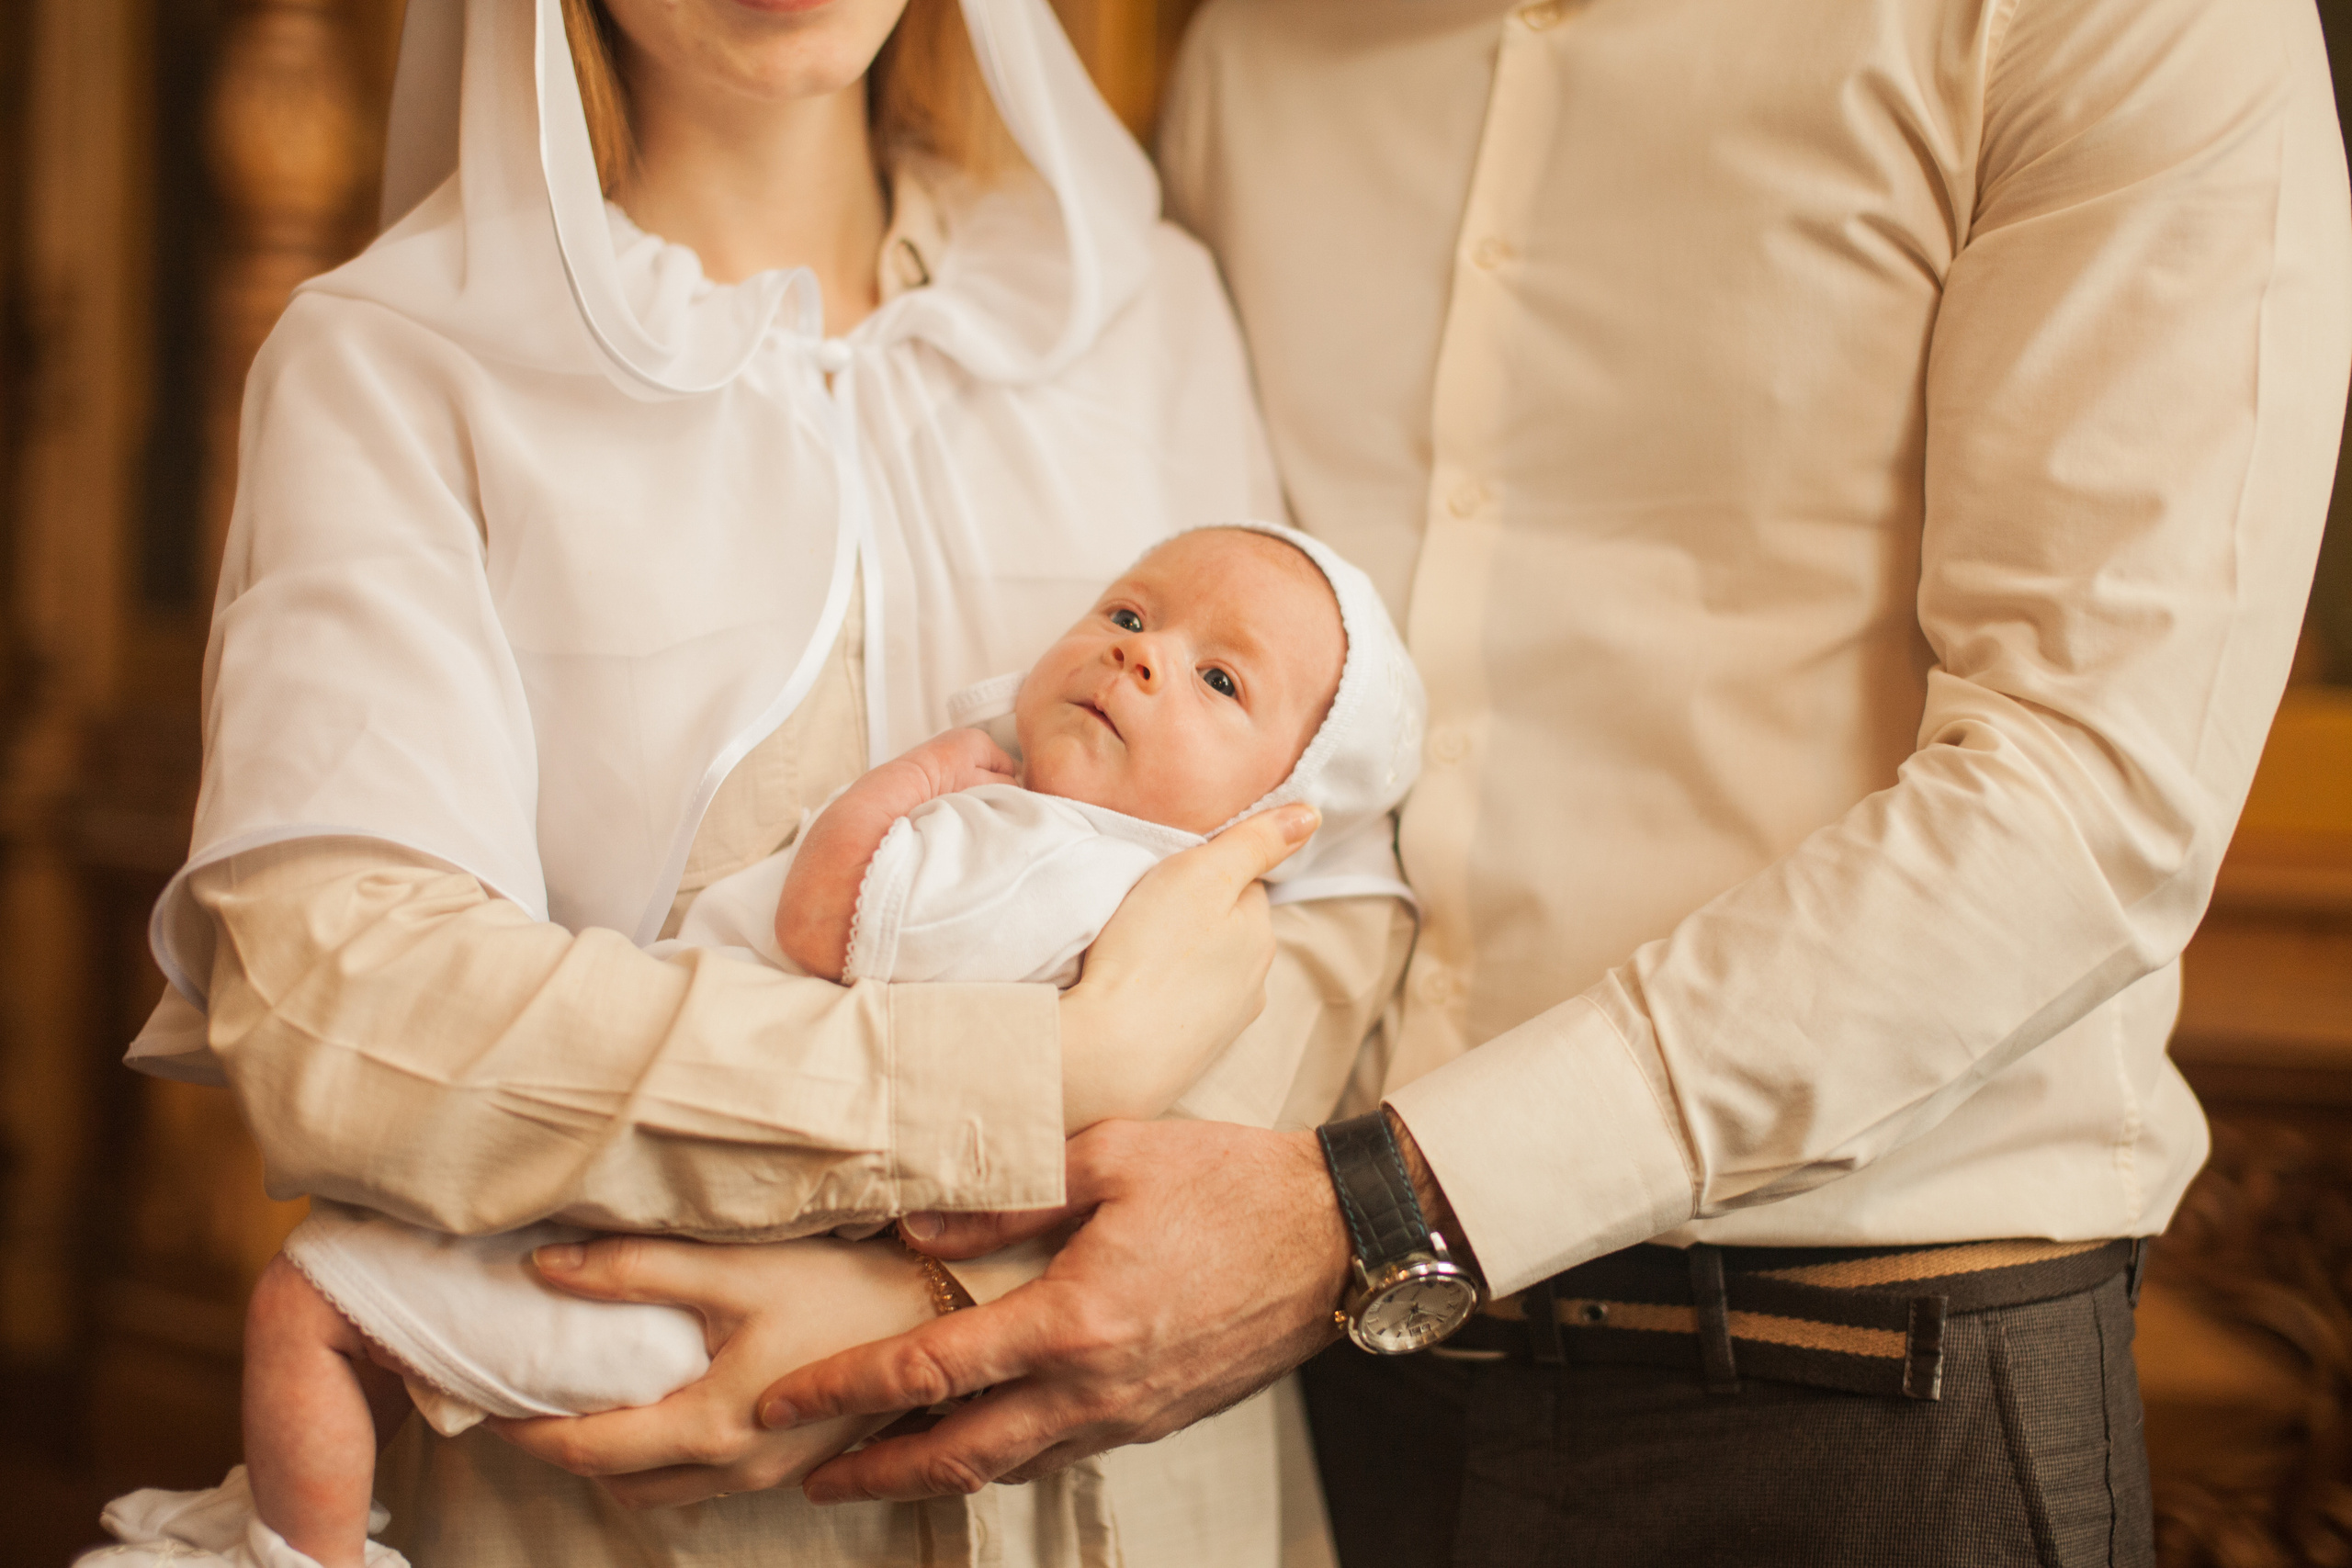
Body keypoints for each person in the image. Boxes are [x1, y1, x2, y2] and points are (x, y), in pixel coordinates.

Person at [524, 0, 2350, 1562]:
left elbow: (2086, 799)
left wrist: (1388, 1202)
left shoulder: (2114, 21)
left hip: (1854, 1376)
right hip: (1285, 1397)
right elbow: (1216, 810)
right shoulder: (1257, 48)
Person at [115, 0, 1416, 1562]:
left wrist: (944, 1303)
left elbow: (1329, 898)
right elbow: (351, 1012)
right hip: (637, 1502)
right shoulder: (396, 360)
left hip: (1138, 1494)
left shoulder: (1142, 304)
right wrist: (1026, 1078)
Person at [90, 524, 1419, 1568]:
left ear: (1283, 808)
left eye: (1220, 679)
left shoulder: (1060, 864)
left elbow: (822, 923)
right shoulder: (1134, 892)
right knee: (351, 1310)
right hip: (727, 1221)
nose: (1142, 657)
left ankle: (292, 1550)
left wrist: (911, 783)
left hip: (714, 1268)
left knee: (312, 1307)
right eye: (1128, 615)